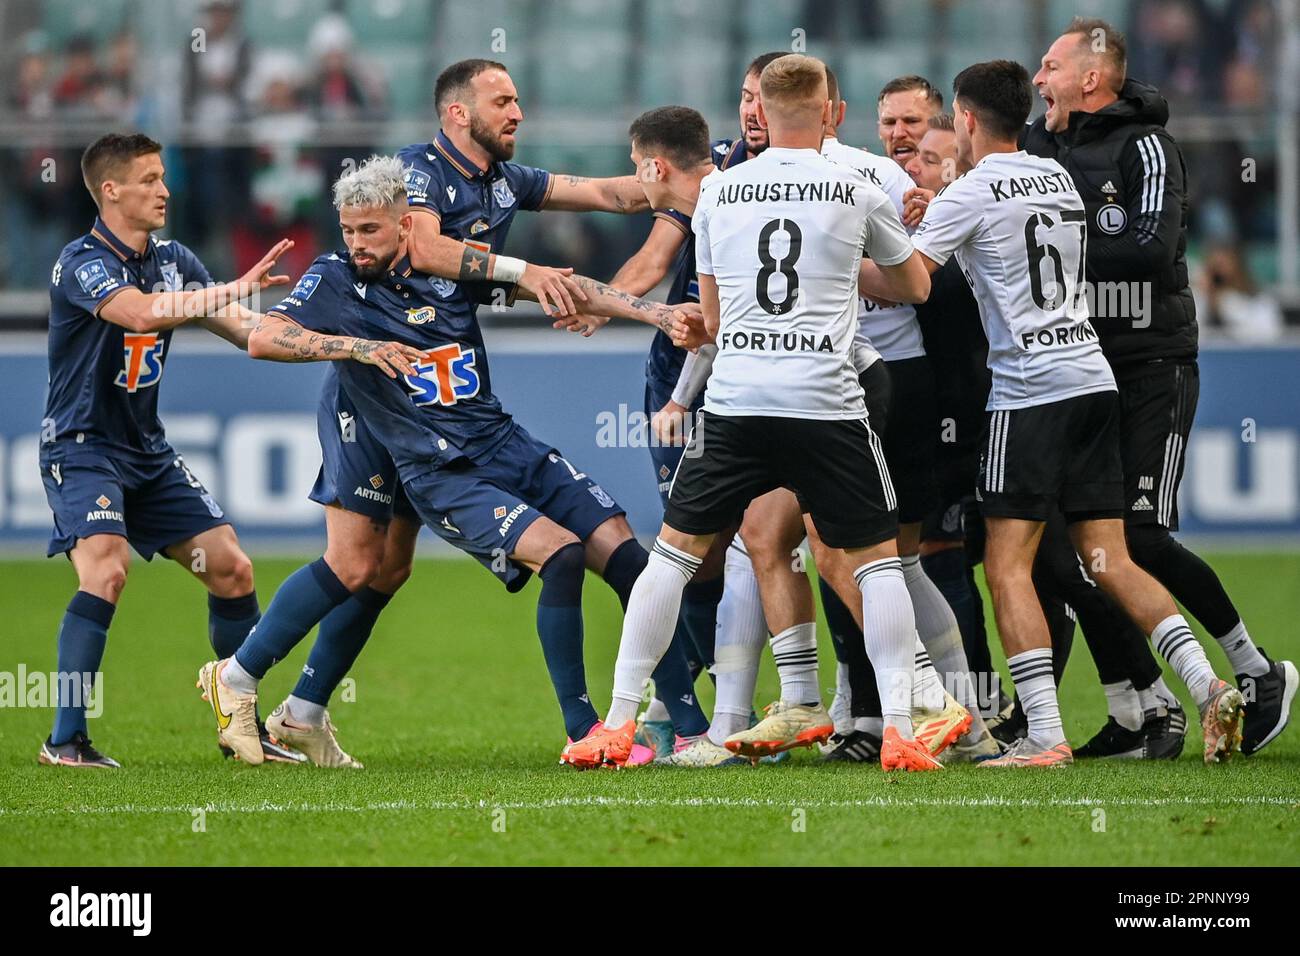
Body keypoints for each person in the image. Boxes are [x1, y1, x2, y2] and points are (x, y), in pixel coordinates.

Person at [199, 154, 705, 766]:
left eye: (371, 230)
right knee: (387, 562)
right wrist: (355, 348)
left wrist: (659, 312)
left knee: (627, 553)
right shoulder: (335, 278)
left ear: (407, 225)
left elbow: (558, 285)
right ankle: (583, 732)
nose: (356, 244)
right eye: (349, 230)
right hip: (440, 466)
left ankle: (689, 728)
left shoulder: (451, 265)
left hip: (503, 441)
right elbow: (264, 336)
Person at [562, 54, 939, 773]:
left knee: (672, 556)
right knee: (874, 564)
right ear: (828, 109)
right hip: (827, 403)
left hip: (737, 401)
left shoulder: (720, 193)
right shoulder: (857, 188)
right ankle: (900, 730)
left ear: (760, 106)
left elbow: (710, 316)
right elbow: (915, 285)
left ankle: (616, 724)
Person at [891, 59, 1244, 768]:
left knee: (1006, 564)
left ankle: (1045, 736)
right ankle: (1209, 686)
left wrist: (849, 260)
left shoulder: (973, 188)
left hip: (1029, 392)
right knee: (1106, 557)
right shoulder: (1052, 174)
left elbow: (911, 285)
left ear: (962, 119)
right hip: (1092, 378)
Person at [1025, 17, 1295, 754]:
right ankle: (1140, 710)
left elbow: (1149, 249)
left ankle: (1256, 669)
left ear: (1090, 76)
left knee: (1139, 534)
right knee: (1083, 550)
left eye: (1050, 67)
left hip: (1151, 364)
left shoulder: (1147, 145)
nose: (1038, 79)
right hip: (1077, 372)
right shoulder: (1038, 144)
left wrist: (1051, 242)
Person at [37, 132, 296, 767]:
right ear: (111, 190)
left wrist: (348, 344)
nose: (164, 189)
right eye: (150, 179)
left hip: (146, 452)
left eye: (163, 177)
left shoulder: (175, 257)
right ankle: (66, 740)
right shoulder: (82, 262)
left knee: (231, 567)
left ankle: (242, 725)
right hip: (82, 446)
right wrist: (234, 286)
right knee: (107, 569)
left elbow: (247, 331)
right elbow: (141, 314)